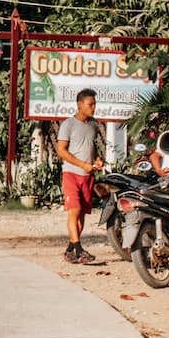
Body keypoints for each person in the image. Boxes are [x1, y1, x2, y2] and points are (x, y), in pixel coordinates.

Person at [56, 88, 103, 265]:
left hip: (88, 175)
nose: (93, 107)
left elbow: (93, 147)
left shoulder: (94, 124)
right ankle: (78, 249)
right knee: (74, 210)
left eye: (94, 104)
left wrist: (97, 160)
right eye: (90, 104)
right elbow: (61, 151)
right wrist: (81, 164)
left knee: (82, 213)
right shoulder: (68, 125)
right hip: (71, 173)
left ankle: (71, 249)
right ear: (79, 104)